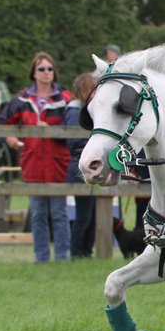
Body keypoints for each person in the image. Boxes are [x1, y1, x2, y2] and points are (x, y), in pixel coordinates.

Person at [0, 52, 72, 263]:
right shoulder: (22, 99)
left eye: (50, 69)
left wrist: (50, 129)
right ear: (34, 73)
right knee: (38, 214)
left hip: (57, 162)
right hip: (33, 163)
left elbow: (73, 128)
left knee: (59, 213)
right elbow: (3, 122)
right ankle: (41, 258)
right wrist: (9, 137)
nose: (46, 73)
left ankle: (62, 258)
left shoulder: (65, 98)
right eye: (42, 69)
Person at [64, 72, 97, 258]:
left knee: (92, 215)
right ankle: (77, 252)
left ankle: (87, 251)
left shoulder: (88, 111)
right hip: (79, 167)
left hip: (90, 165)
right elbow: (73, 142)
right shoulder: (74, 111)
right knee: (84, 216)